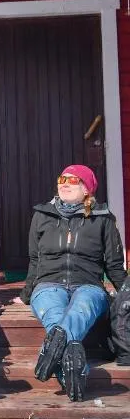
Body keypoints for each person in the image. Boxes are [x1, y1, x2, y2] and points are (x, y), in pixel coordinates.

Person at [19, 164, 127, 402]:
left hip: (88, 284)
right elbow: (35, 259)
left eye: (73, 180)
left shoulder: (103, 218)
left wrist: (125, 291)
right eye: (62, 178)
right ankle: (75, 370)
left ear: (87, 189)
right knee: (55, 313)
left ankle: (58, 355)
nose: (64, 183)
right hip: (48, 283)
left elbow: (114, 264)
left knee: (82, 308)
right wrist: (27, 293)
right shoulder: (42, 215)